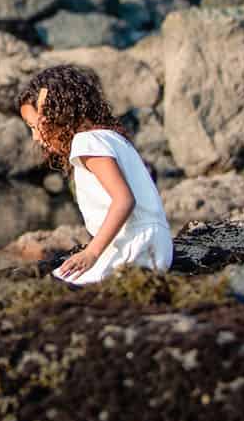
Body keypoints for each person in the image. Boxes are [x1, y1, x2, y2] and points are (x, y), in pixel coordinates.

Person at [17, 64, 173, 285]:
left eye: (35, 126)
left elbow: (124, 200)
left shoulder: (87, 141)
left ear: (56, 115)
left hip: (135, 246)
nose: (35, 137)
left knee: (53, 286)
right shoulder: (111, 137)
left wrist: (92, 252)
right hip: (156, 245)